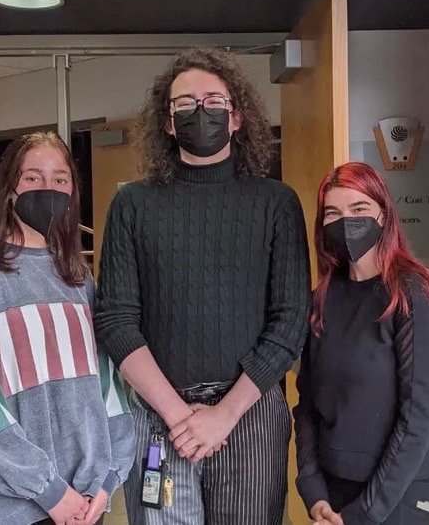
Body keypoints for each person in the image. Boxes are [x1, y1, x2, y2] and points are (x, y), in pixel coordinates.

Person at [94, 47, 310, 524]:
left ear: (236, 116)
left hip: (249, 413)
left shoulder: (275, 203)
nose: (200, 111)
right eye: (185, 104)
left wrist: (225, 414)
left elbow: (291, 319)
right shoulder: (132, 205)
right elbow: (115, 318)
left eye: (214, 100)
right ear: (168, 123)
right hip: (157, 415)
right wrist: (178, 416)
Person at [0, 132, 135, 525]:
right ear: (10, 186)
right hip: (7, 505)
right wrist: (48, 490)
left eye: (60, 179)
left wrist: (107, 475)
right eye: (33, 177)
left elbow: (107, 383)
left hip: (84, 497)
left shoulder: (76, 274)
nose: (48, 189)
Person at [294, 161, 429, 525]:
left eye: (359, 209)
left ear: (384, 214)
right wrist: (313, 488)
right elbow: (307, 405)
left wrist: (364, 514)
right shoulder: (321, 299)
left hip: (400, 495)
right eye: (333, 212)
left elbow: (418, 417)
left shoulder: (415, 294)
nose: (346, 221)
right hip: (333, 494)